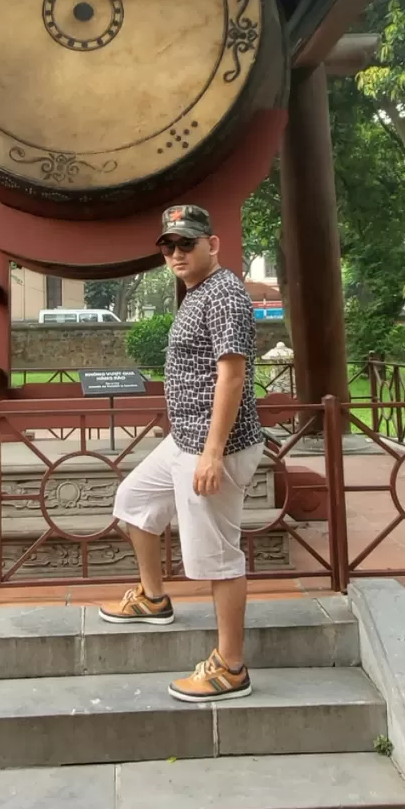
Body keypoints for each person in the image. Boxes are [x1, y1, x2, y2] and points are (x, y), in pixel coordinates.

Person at [101, 201, 262, 702]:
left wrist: (212, 452)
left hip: (214, 446)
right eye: (168, 245)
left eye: (186, 243)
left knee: (216, 557)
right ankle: (153, 597)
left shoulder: (225, 294)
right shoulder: (197, 291)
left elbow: (232, 376)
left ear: (212, 245)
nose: (175, 253)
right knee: (133, 502)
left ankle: (231, 668)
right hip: (184, 440)